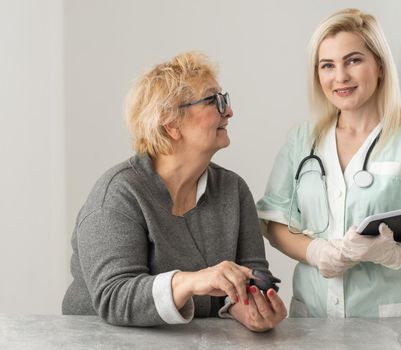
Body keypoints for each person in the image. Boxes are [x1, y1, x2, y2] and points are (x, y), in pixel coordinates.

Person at [256, 8, 401, 318]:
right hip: (312, 318)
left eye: (353, 61)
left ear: (380, 66)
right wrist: (315, 252)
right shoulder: (301, 140)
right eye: (327, 65)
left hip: (387, 322)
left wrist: (393, 253)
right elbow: (274, 223)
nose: (340, 76)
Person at [62, 52, 287, 331]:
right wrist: (191, 281)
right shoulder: (118, 194)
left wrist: (251, 308)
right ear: (170, 123)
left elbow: (251, 276)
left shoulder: (233, 190)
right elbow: (114, 297)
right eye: (213, 101)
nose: (229, 112)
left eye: (225, 100)